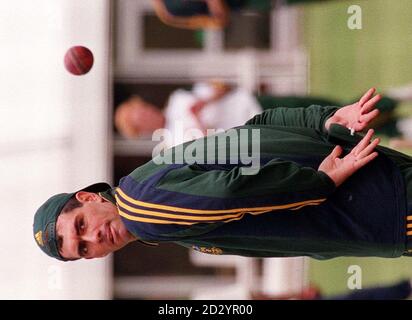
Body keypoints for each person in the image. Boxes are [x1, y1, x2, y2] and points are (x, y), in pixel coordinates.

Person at [33, 88, 412, 261]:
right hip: (378, 179)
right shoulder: (151, 174)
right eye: (83, 248)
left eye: (81, 225)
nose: (93, 238)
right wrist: (325, 120)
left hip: (379, 208)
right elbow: (254, 130)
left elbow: (233, 195)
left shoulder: (143, 212)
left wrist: (320, 183)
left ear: (88, 198)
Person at [114, 81, 411, 147]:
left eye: (141, 109)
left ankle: (397, 115)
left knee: (328, 104)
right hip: (260, 129)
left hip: (256, 103)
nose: (146, 114)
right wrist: (201, 123)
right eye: (139, 119)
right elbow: (212, 150)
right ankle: (399, 119)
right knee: (336, 124)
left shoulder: (178, 99)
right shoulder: (173, 143)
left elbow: (221, 85)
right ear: (139, 130)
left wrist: (203, 103)